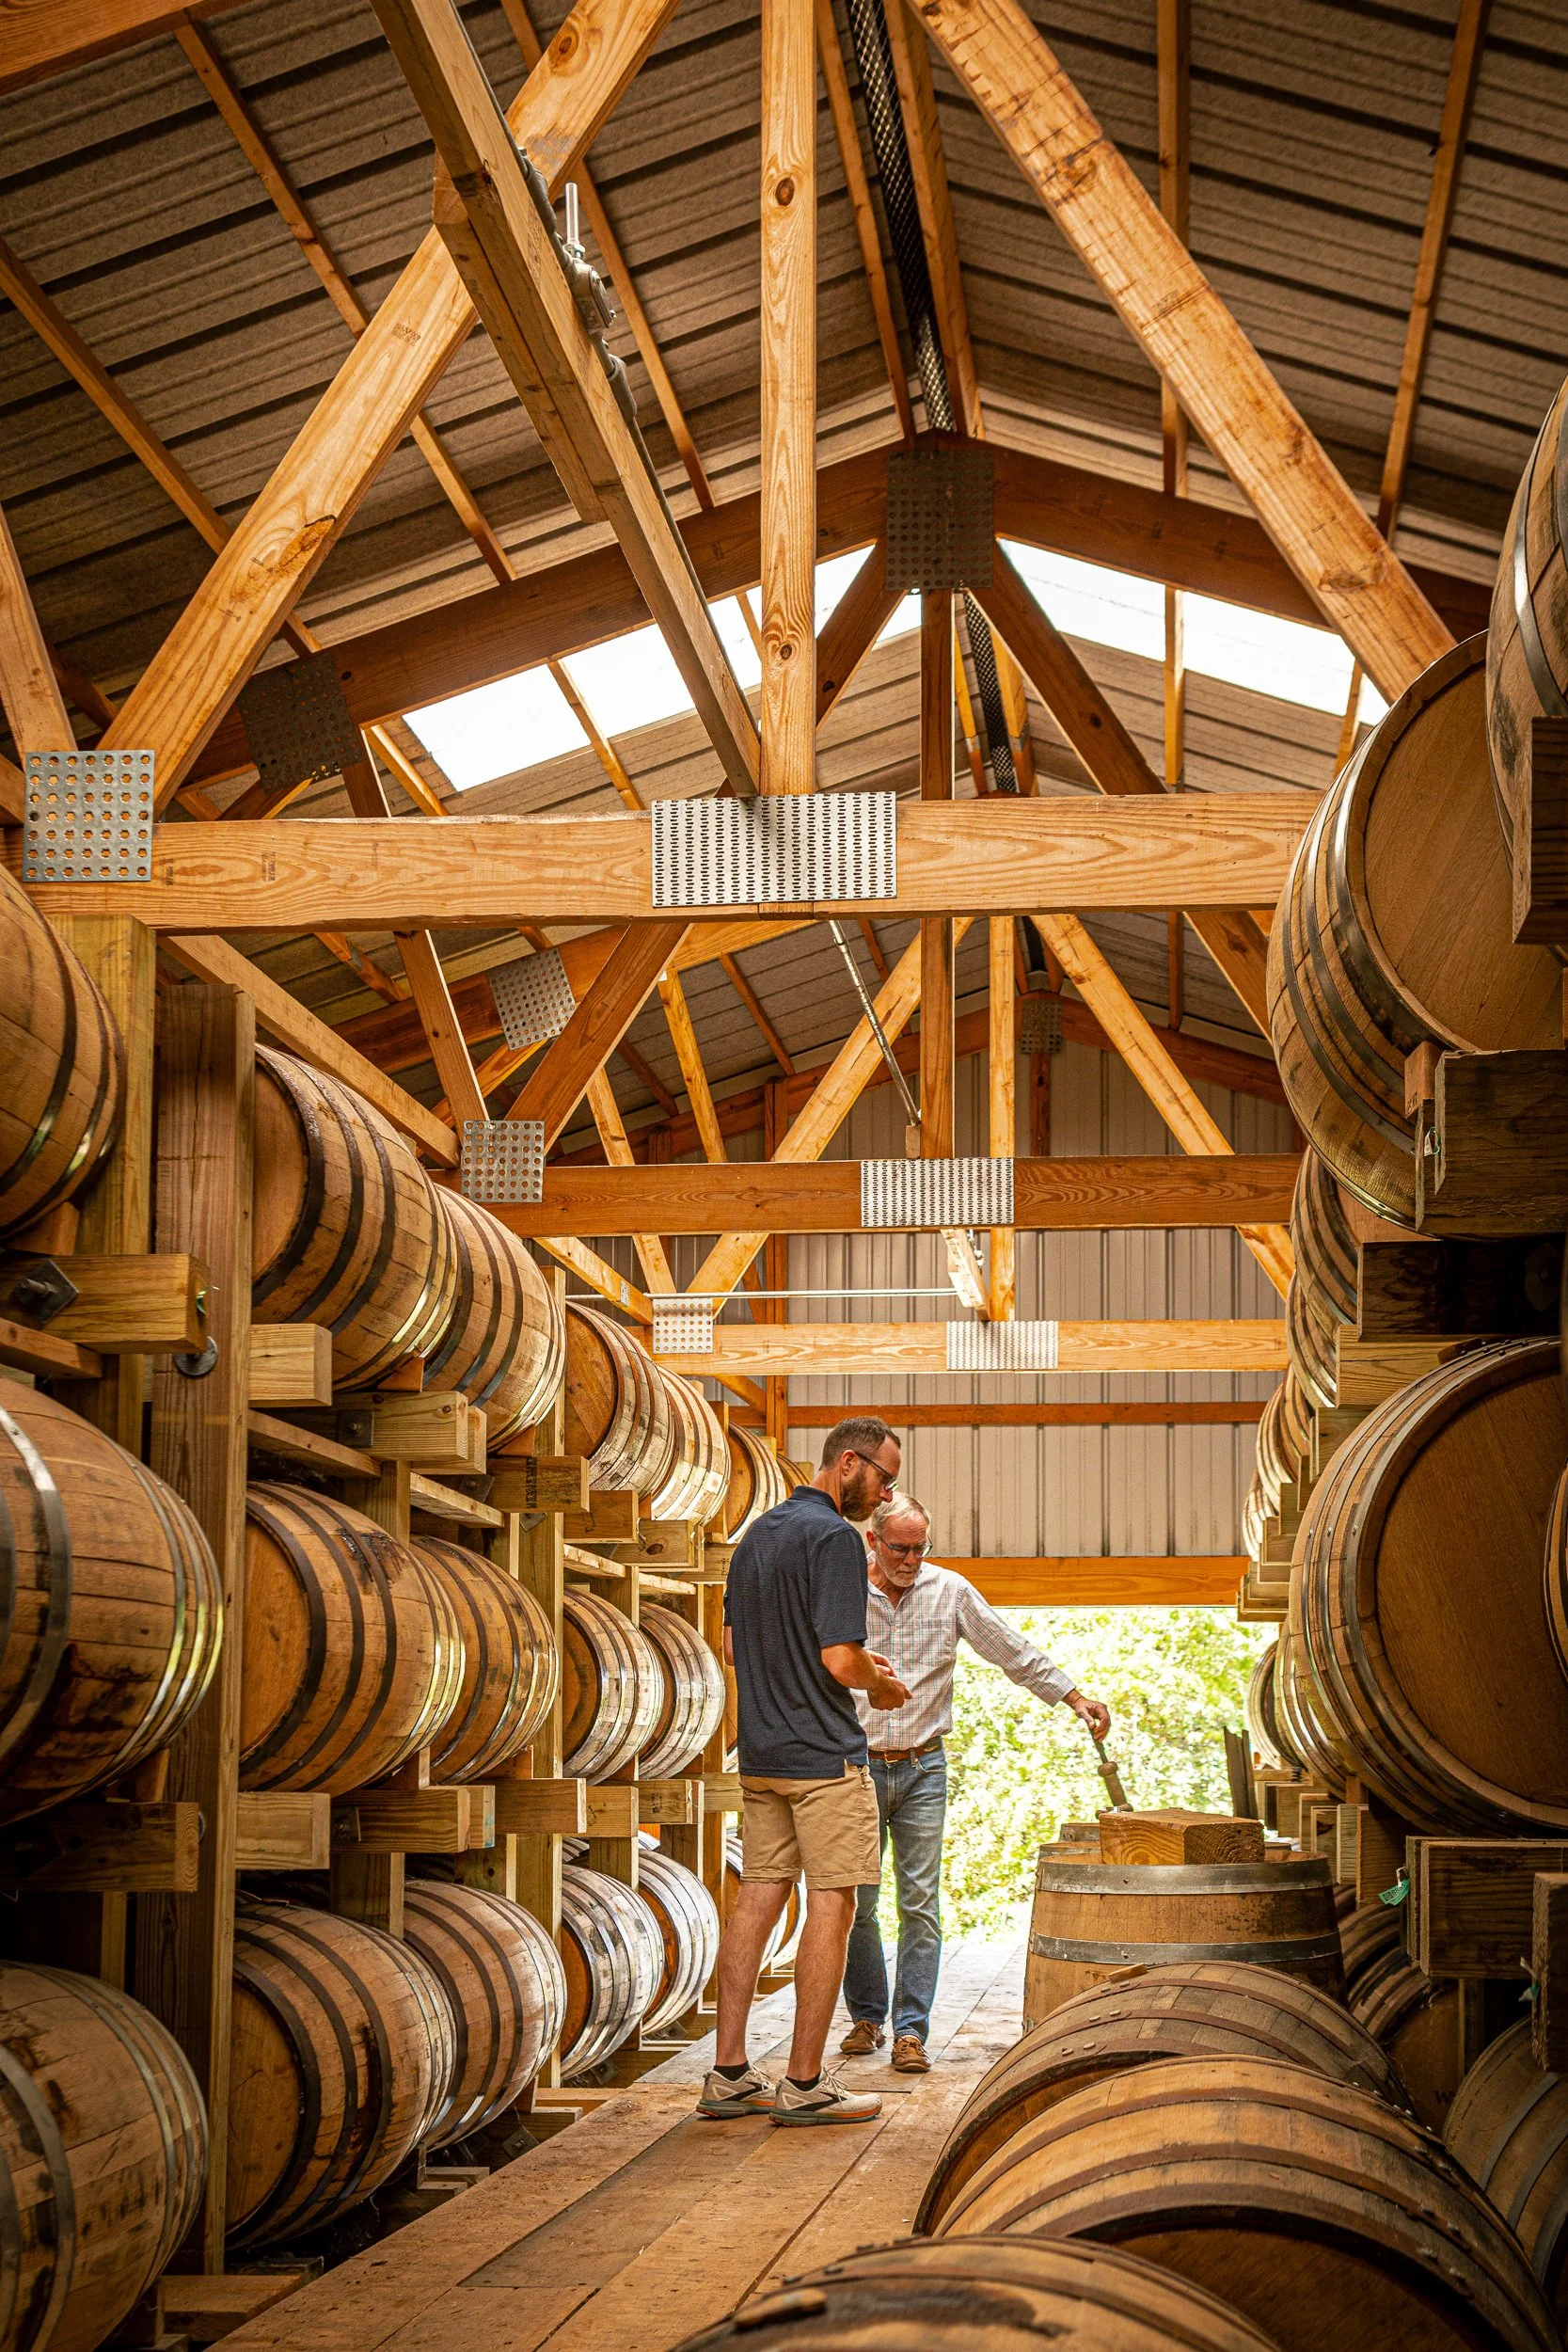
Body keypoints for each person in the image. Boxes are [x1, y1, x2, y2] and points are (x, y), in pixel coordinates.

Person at [840, 1493, 1111, 2074]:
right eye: (900, 1548)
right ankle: (867, 2015)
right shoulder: (842, 1591)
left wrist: (1075, 1697)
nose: (912, 1559)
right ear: (873, 1541)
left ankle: (911, 2031)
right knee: (855, 1903)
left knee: (920, 1903)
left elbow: (1013, 1652)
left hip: (923, 1769)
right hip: (855, 1767)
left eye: (921, 1548)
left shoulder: (950, 1591)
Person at [697, 1415, 911, 2126]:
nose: (885, 1496)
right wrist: (877, 1685)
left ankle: (729, 2073)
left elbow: (732, 1646)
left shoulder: (755, 1535)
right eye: (883, 1478)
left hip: (760, 1754)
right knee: (835, 1903)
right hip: (824, 1759)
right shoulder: (834, 1539)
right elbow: (838, 1659)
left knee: (758, 1898)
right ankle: (806, 2081)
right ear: (847, 1463)